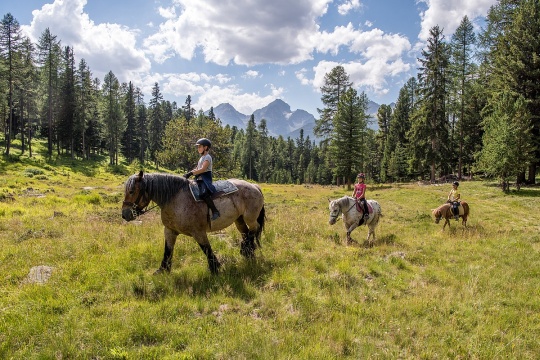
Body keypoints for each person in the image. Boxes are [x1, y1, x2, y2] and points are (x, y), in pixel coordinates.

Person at [184, 138, 220, 220]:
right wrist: (188, 174)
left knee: (203, 194)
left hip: (205, 180)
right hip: (198, 179)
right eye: (198, 147)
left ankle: (215, 211)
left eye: (200, 147)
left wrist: (191, 173)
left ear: (206, 147)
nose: (198, 148)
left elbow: (203, 169)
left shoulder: (208, 157)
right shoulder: (201, 158)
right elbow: (197, 169)